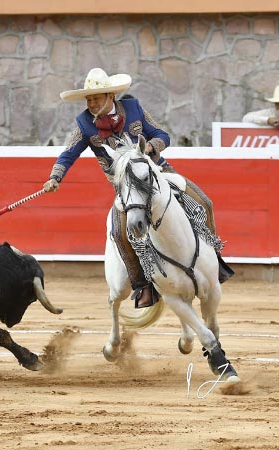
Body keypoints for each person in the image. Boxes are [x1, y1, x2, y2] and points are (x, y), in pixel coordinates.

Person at [42, 68, 234, 309]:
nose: (91, 103)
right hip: (127, 188)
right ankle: (142, 285)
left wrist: (151, 148)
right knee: (121, 231)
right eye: (88, 99)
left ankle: (214, 261)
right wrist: (55, 177)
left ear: (110, 96)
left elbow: (163, 135)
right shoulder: (83, 124)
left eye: (96, 97)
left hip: (159, 173)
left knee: (204, 202)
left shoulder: (134, 109)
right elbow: (68, 153)